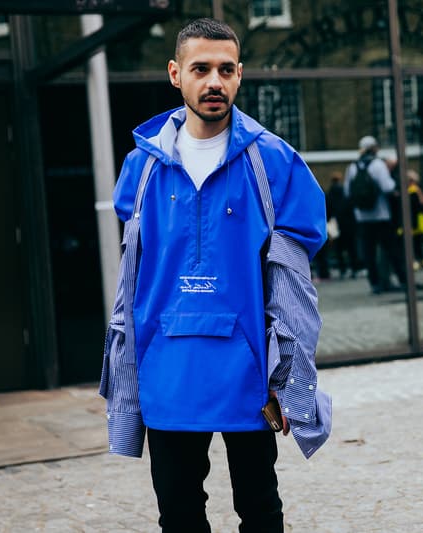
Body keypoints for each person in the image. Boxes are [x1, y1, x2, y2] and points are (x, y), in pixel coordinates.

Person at [99, 19, 331, 532]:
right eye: (201, 69)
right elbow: (136, 276)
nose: (214, 82)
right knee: (178, 515)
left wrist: (287, 371)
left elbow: (295, 276)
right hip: (166, 370)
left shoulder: (273, 162)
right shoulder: (141, 167)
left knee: (261, 511)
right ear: (175, 73)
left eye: (226, 70)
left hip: (248, 374)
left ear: (240, 75)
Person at [344, 135, 410, 294]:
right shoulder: (377, 164)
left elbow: (348, 192)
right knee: (392, 249)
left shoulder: (352, 167)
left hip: (362, 216)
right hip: (381, 215)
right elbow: (388, 187)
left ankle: (375, 284)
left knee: (369, 253)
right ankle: (404, 280)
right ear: (374, 148)